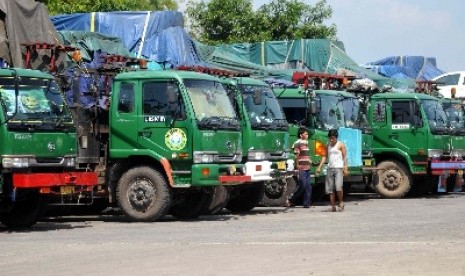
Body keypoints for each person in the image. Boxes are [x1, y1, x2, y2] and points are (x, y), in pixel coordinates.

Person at [316, 129, 349, 212]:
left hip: (338, 168)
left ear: (336, 137)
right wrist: (319, 167)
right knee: (330, 189)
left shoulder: (341, 145)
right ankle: (332, 206)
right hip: (330, 168)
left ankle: (341, 202)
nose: (331, 139)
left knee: (338, 187)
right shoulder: (328, 145)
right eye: (330, 138)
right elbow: (325, 157)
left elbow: (345, 157)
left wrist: (345, 168)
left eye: (333, 138)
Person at [286, 127, 312, 208]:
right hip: (301, 167)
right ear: (301, 135)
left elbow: (306, 155)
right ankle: (291, 199)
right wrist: (297, 166)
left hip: (307, 167)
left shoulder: (306, 143)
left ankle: (306, 204)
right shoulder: (297, 143)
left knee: (308, 186)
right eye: (306, 134)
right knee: (302, 184)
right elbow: (296, 155)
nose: (307, 135)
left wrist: (310, 160)